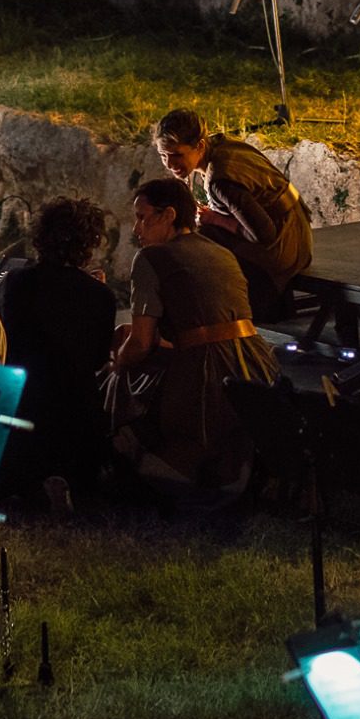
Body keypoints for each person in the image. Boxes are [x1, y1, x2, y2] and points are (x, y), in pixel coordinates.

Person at [110, 178, 278, 502]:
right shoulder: (220, 252)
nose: (136, 229)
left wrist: (117, 363)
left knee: (121, 376)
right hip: (257, 364)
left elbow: (141, 343)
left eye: (143, 217)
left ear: (168, 215)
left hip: (208, 372)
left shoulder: (151, 259)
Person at [0, 197, 117, 509]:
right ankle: (67, 481)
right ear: (88, 243)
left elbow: (14, 341)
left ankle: (34, 484)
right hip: (76, 407)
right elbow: (98, 359)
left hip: (27, 402)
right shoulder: (100, 295)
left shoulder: (19, 282)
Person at [152, 109, 311, 321]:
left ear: (199, 145)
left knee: (200, 241)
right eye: (163, 156)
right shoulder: (219, 145)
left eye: (177, 155)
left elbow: (263, 234)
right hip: (294, 229)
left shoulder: (221, 180)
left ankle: (233, 314)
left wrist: (213, 218)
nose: (170, 164)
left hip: (285, 245)